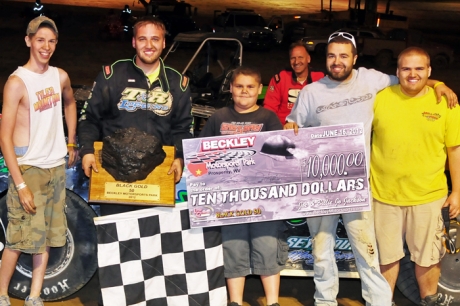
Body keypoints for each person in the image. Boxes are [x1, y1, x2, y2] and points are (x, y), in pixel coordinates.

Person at [284, 32, 457, 306]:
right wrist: (289, 127)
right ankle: (324, 300)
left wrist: (439, 84)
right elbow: (293, 126)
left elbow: (411, 78)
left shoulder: (372, 79)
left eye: (343, 56)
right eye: (331, 56)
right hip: (321, 186)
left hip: (358, 184)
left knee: (367, 249)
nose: (337, 62)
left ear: (354, 58)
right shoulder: (310, 92)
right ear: (325, 59)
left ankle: (379, 302)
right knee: (321, 247)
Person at [371, 47, 460, 306]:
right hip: (383, 195)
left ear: (429, 71)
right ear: (397, 72)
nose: (413, 74)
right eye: (406, 68)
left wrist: (457, 192)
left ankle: (428, 301)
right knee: (387, 258)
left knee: (428, 258)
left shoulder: (446, 103)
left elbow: (454, 150)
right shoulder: (379, 98)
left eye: (419, 69)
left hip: (428, 197)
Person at [78, 16, 192, 216]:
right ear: (133, 42)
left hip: (158, 177)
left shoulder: (177, 82)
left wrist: (181, 157)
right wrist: (87, 150)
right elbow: (90, 118)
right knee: (113, 241)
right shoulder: (112, 75)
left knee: (153, 243)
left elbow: (183, 128)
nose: (149, 45)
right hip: (114, 176)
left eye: (155, 39)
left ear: (164, 43)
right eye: (142, 39)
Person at [0, 16, 77, 306]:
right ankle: (2, 294)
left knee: (43, 238)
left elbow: (70, 102)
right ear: (29, 40)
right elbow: (4, 138)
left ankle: (35, 296)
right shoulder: (17, 83)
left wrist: (71, 140)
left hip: (55, 167)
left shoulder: (60, 76)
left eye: (52, 41)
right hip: (28, 168)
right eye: (41, 40)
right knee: (19, 240)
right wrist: (19, 184)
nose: (46, 47)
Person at [199, 66, 287, 306]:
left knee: (267, 245)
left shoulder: (268, 118)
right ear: (231, 88)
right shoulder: (219, 117)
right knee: (233, 247)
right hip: (228, 200)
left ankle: (272, 302)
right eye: (239, 86)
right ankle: (235, 301)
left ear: (260, 90)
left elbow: (280, 157)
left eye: (250, 87)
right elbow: (201, 152)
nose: (244, 91)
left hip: (264, 199)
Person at [263, 41, 324, 124]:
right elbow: (269, 108)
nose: (296, 62)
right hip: (283, 129)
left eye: (300, 57)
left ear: (308, 59)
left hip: (311, 129)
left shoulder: (320, 78)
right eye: (293, 58)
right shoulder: (280, 78)